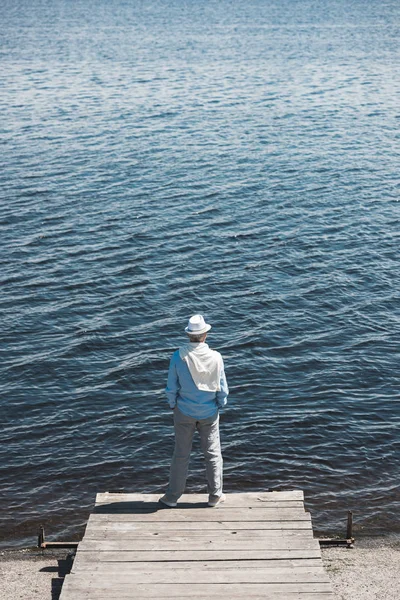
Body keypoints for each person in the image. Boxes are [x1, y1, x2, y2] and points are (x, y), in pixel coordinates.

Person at [160, 314, 229, 508]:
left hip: (184, 411)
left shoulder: (178, 356)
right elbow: (222, 388)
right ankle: (215, 495)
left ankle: (172, 497)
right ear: (205, 334)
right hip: (209, 412)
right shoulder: (216, 357)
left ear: (189, 335)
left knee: (181, 454)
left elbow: (171, 387)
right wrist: (220, 404)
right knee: (213, 453)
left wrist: (172, 404)